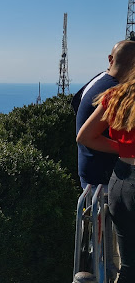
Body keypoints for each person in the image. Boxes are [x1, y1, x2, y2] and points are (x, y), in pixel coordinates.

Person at [77, 43, 135, 283]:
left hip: (119, 181)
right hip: (115, 181)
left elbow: (84, 135)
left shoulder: (115, 94)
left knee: (129, 264)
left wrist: (126, 149)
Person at [75, 40, 135, 189]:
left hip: (90, 173)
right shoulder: (119, 93)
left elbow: (76, 103)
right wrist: (127, 149)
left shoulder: (99, 80)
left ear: (111, 59)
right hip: (104, 181)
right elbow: (85, 137)